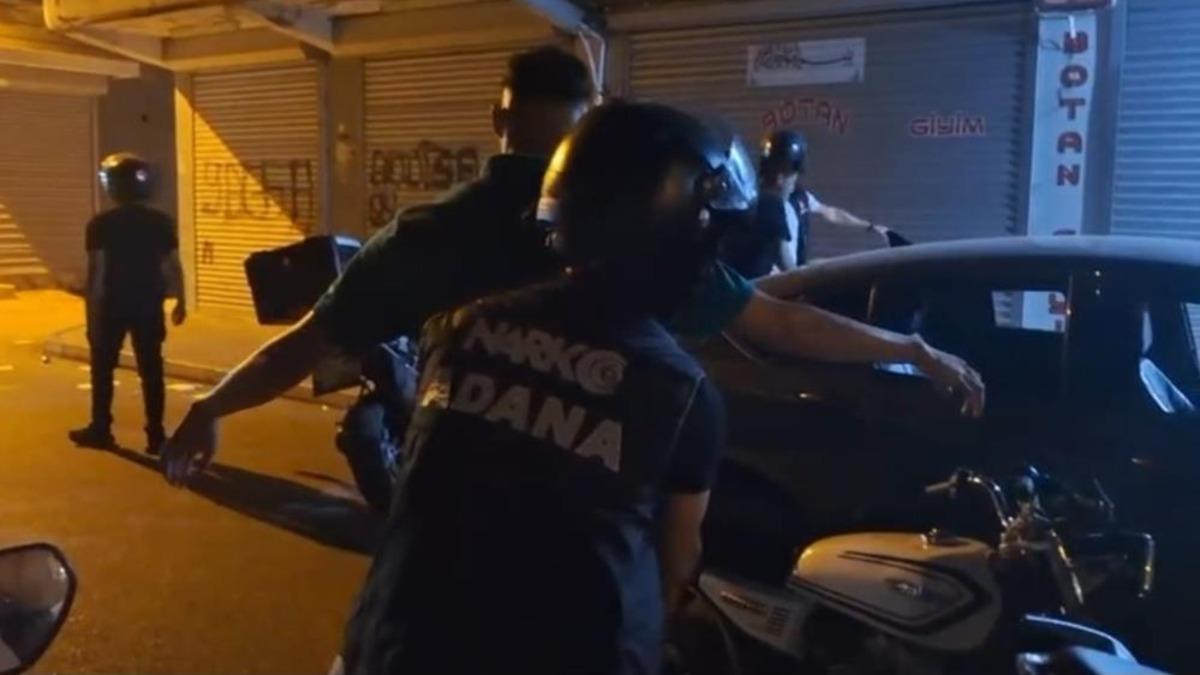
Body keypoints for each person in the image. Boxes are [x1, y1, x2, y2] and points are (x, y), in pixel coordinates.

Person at [162, 45, 983, 486]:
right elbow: (782, 324)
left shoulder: (431, 232)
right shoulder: (645, 241)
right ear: (592, 133)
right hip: (587, 541)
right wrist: (911, 349)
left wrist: (210, 403)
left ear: (499, 117)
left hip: (446, 529)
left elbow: (306, 342)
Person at [338, 101, 749, 675]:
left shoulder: (458, 329)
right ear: (680, 239)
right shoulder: (681, 393)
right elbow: (675, 566)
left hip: (395, 648)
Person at [70, 153, 186, 455]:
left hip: (112, 303)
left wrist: (91, 312)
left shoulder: (101, 224)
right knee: (151, 369)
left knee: (103, 368)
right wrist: (181, 301)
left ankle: (101, 428)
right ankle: (156, 434)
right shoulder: (160, 222)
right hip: (148, 302)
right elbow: (172, 265)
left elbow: (97, 272)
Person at [723, 129, 887, 278]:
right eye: (794, 176)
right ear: (781, 177)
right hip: (772, 288)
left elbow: (832, 213)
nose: (794, 183)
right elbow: (786, 267)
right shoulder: (771, 206)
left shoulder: (789, 198)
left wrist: (869, 226)